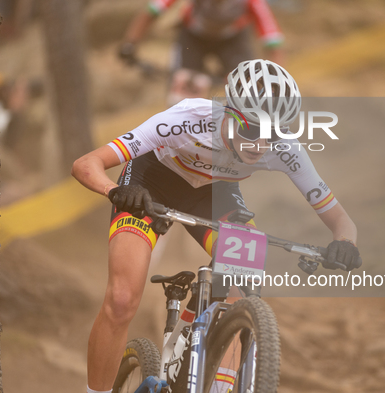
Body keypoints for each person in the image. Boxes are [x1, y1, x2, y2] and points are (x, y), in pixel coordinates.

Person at [72, 59, 361, 393]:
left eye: (275, 133)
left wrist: (346, 244)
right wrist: (117, 191)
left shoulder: (284, 149)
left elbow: (342, 221)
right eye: (253, 130)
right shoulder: (187, 118)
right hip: (151, 184)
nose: (263, 144)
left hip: (214, 194)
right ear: (230, 113)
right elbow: (86, 164)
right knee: (122, 299)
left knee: (246, 269)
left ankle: (206, 374)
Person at [119, 0, 285, 105]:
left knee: (248, 90)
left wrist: (274, 81)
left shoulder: (253, 2)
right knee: (182, 96)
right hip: (193, 37)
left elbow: (273, 41)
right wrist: (130, 44)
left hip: (233, 40)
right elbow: (151, 11)